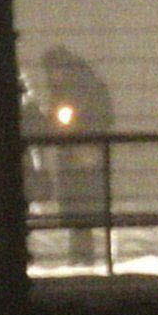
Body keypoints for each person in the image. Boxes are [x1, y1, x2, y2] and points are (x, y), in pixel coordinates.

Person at [35, 45, 116, 262]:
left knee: (82, 202)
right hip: (71, 152)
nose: (53, 75)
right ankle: (80, 252)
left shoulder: (85, 89)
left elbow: (101, 117)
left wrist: (83, 136)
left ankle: (83, 254)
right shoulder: (68, 90)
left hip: (84, 151)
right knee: (76, 202)